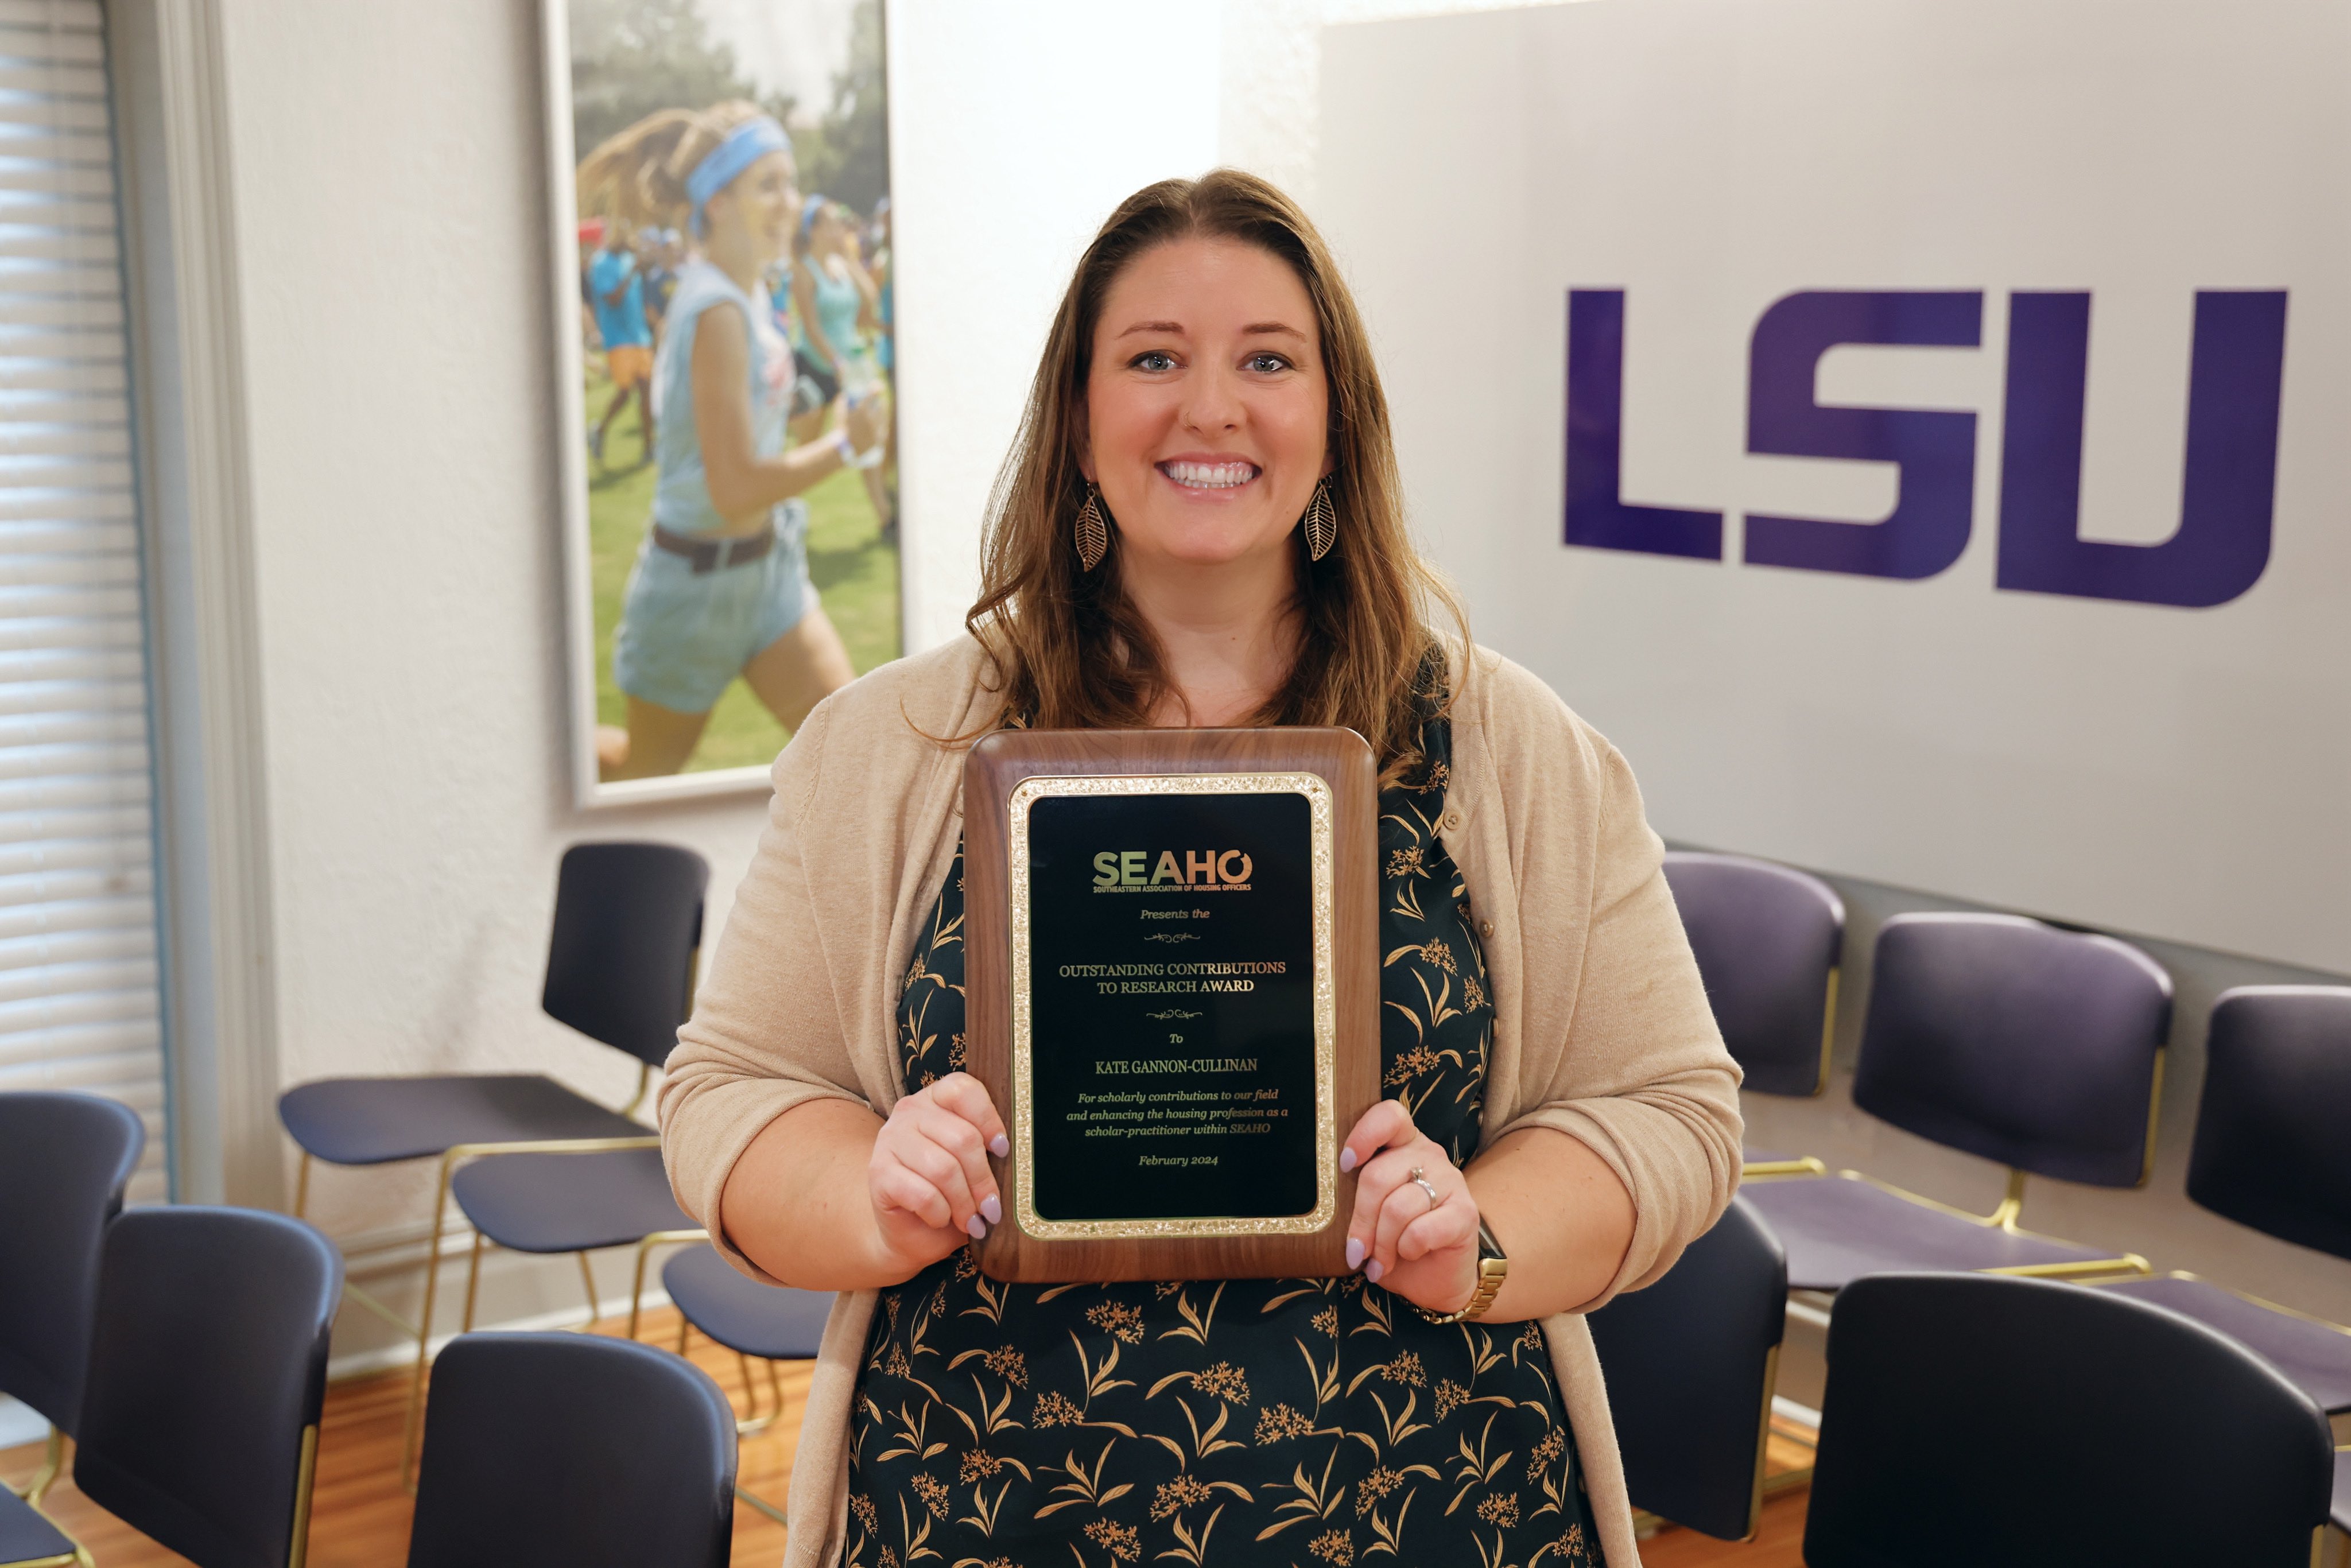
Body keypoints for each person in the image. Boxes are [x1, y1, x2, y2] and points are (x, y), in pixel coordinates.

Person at [659, 172, 1741, 1567]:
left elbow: (1670, 1106)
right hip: (981, 1516)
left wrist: (1478, 1230)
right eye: (1154, 357)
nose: (1211, 407)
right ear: (1078, 418)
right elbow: (729, 1093)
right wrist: (871, 1184)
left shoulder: (1509, 747)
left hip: (1430, 1511)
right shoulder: (888, 748)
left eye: (1268, 361)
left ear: (1335, 420)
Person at [576, 102, 884, 780]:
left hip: (769, 576)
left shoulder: (746, 296)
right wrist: (843, 446)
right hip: (695, 589)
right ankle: (525, 760)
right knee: (640, 770)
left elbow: (753, 425)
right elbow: (735, 487)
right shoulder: (715, 309)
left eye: (790, 182)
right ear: (716, 201)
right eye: (767, 185)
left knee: (856, 767)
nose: (788, 203)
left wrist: (815, 400)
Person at [792, 196, 895, 541]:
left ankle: (886, 518)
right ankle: (783, 511)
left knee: (865, 438)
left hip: (853, 366)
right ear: (815, 229)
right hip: (818, 368)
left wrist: (850, 259)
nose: (841, 228)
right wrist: (835, 364)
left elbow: (869, 301)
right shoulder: (803, 269)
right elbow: (811, 326)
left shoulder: (842, 263)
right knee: (807, 447)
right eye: (834, 222)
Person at [586, 224, 655, 467]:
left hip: (639, 337)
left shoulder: (629, 259)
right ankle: (599, 430)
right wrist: (630, 274)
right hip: (618, 338)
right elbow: (612, 299)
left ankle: (649, 448)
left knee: (646, 390)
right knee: (626, 393)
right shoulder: (602, 263)